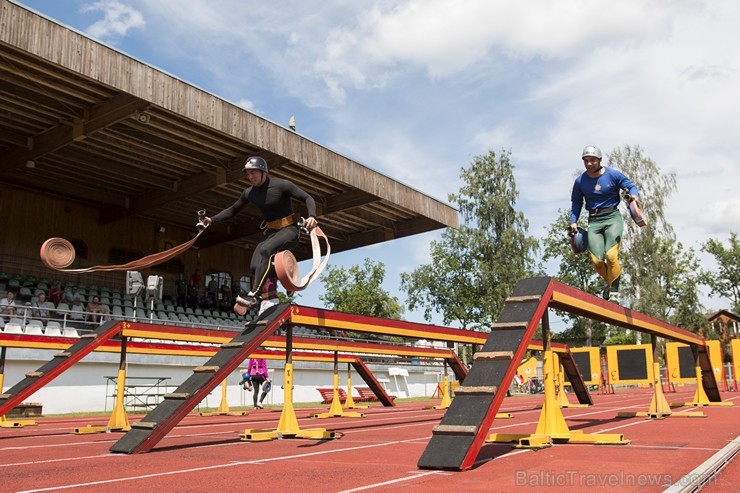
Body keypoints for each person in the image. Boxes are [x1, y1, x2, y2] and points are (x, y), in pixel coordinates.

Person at [200, 156, 318, 311]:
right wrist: (211, 219)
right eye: (248, 174)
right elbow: (233, 210)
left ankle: (253, 295)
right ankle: (287, 276)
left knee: (265, 251)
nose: (250, 177)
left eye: (253, 173)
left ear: (263, 172)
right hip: (272, 232)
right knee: (255, 266)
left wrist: (312, 216)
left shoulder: (281, 185)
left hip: (290, 230)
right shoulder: (249, 193)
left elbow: (307, 197)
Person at [570, 145, 640, 303]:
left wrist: (634, 197)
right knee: (597, 261)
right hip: (594, 222)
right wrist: (573, 221)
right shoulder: (580, 181)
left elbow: (631, 186)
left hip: (612, 218)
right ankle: (609, 281)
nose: (589, 163)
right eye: (586, 160)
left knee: (611, 255)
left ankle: (614, 292)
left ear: (599, 160)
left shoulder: (612, 175)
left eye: (592, 160)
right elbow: (576, 201)